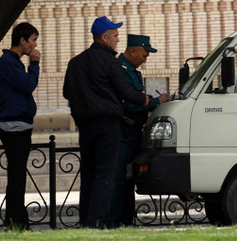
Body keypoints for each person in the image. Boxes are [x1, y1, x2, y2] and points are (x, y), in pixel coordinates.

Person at [62, 16, 149, 229]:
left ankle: (85, 222)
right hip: (108, 126)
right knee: (105, 176)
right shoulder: (110, 61)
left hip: (85, 126)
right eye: (116, 35)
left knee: (89, 176)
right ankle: (97, 223)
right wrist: (146, 99)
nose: (118, 40)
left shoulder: (76, 62)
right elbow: (125, 91)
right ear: (104, 37)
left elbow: (66, 92)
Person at [107, 34, 169, 227]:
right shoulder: (120, 69)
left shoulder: (133, 71)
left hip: (134, 132)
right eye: (144, 55)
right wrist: (154, 102)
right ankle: (113, 221)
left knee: (128, 179)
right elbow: (126, 102)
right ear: (132, 51)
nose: (145, 59)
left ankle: (126, 219)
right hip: (123, 131)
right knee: (118, 179)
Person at [0, 22, 41, 230]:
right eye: (33, 40)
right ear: (22, 41)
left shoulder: (11, 62)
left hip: (18, 125)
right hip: (15, 127)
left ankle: (16, 220)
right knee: (17, 176)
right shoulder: (8, 62)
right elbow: (28, 84)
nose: (35, 45)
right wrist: (35, 64)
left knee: (17, 175)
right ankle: (17, 222)